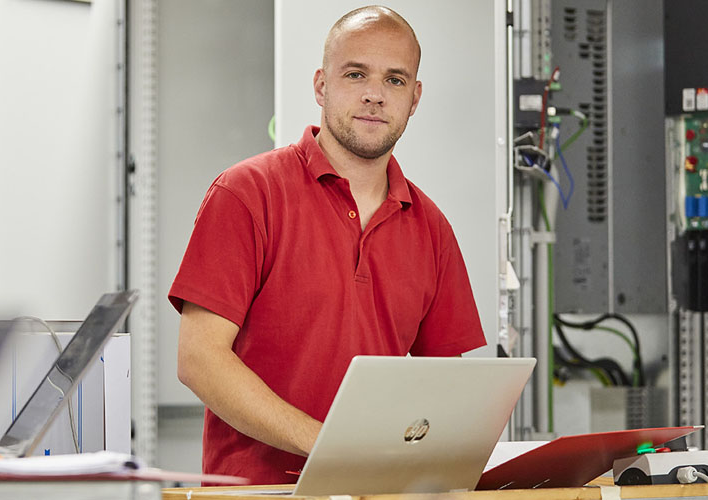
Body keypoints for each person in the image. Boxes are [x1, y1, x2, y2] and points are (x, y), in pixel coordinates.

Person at [168, 5, 486, 485]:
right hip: (258, 494)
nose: (375, 94)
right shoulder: (246, 194)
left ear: (414, 98)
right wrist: (330, 446)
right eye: (356, 74)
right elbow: (200, 360)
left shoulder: (431, 227)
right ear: (321, 86)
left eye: (395, 80)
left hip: (376, 492)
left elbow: (443, 386)